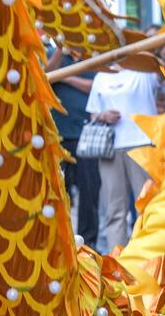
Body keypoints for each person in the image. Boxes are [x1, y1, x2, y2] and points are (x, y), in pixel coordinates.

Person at [85, 63, 161, 252]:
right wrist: (103, 116)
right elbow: (93, 111)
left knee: (148, 207)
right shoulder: (101, 76)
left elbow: (161, 73)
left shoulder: (144, 70)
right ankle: (117, 259)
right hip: (110, 148)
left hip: (142, 144)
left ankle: (150, 257)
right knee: (114, 209)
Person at [45, 45, 100, 250]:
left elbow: (95, 86)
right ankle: (59, 238)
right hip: (58, 136)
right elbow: (45, 76)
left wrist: (66, 77)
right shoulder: (54, 56)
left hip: (86, 135)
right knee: (58, 191)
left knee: (89, 191)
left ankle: (88, 241)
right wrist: (60, 50)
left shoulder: (91, 57)